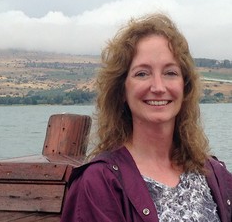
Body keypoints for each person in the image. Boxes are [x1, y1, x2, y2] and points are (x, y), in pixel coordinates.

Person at [60, 13, 232, 222]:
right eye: (142, 73)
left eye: (170, 72)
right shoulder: (98, 183)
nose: (158, 87)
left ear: (184, 87)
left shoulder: (213, 174)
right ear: (122, 90)